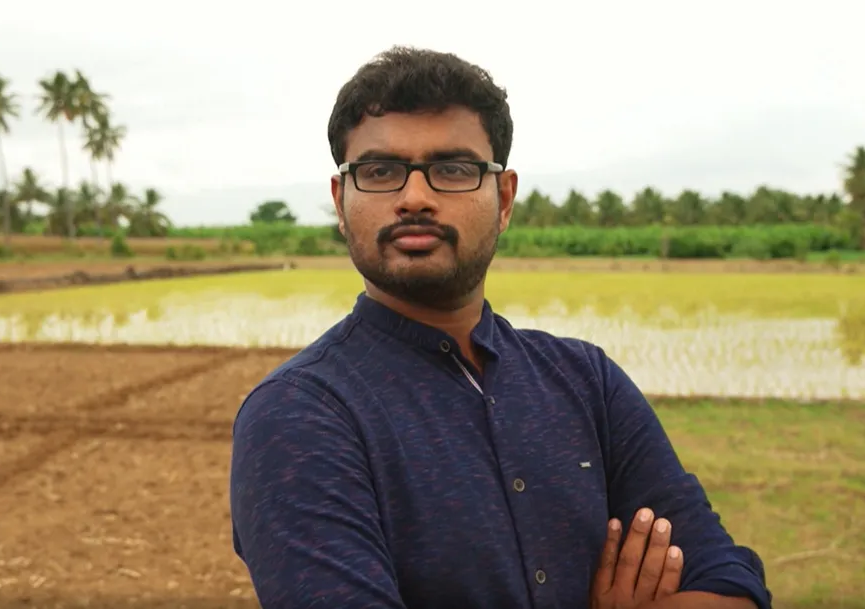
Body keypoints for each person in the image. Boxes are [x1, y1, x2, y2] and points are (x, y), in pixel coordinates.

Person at [229, 46, 772, 609]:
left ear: (504, 198)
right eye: (381, 171)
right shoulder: (300, 413)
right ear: (342, 201)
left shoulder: (586, 381)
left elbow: (728, 582)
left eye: (453, 170)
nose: (415, 198)